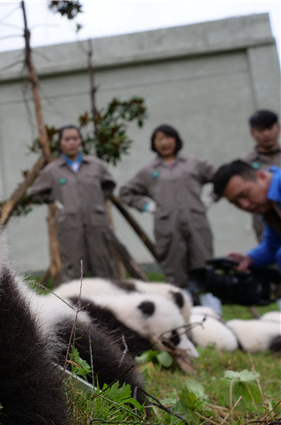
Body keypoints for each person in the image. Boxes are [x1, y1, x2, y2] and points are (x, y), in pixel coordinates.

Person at [119, 124, 222, 311]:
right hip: (168, 228)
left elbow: (222, 178)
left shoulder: (193, 164)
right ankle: (185, 316)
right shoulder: (149, 171)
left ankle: (215, 315)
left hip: (196, 223)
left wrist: (210, 199)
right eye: (159, 139)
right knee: (176, 272)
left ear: (176, 140)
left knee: (205, 267)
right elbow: (126, 192)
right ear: (153, 143)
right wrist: (147, 206)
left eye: (168, 137)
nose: (164, 143)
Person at [27, 125, 116, 283]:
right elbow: (35, 192)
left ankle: (106, 305)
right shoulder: (52, 170)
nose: (71, 142)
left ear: (80, 141)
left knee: (103, 267)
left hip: (97, 224)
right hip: (69, 226)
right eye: (67, 139)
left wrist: (96, 203)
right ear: (60, 143)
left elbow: (109, 185)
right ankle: (74, 307)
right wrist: (54, 199)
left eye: (75, 138)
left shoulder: (96, 165)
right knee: (73, 270)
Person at [212, 159, 281, 311]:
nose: (245, 205)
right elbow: (272, 244)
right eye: (236, 202)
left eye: (245, 194)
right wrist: (249, 259)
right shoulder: (270, 208)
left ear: (261, 176)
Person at [241, 110, 281, 242]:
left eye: (270, 128)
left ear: (278, 128)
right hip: (266, 224)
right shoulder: (246, 164)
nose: (266, 134)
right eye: (260, 130)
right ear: (253, 133)